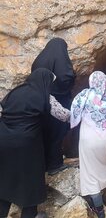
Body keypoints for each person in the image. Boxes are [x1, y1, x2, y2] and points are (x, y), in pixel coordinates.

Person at [0, 68, 70, 218]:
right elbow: (63, 115)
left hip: (3, 140)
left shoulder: (14, 92)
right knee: (31, 179)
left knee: (5, 177)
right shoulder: (45, 96)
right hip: (27, 144)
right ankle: (30, 214)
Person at [70, 71, 106, 218]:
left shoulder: (84, 95)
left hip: (89, 139)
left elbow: (74, 112)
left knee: (90, 173)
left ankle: (99, 210)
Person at [31, 37, 75, 175]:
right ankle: (55, 165)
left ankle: (43, 164)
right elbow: (65, 78)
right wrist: (74, 75)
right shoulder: (61, 60)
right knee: (57, 133)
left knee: (45, 133)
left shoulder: (38, 60)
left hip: (40, 101)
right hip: (57, 101)